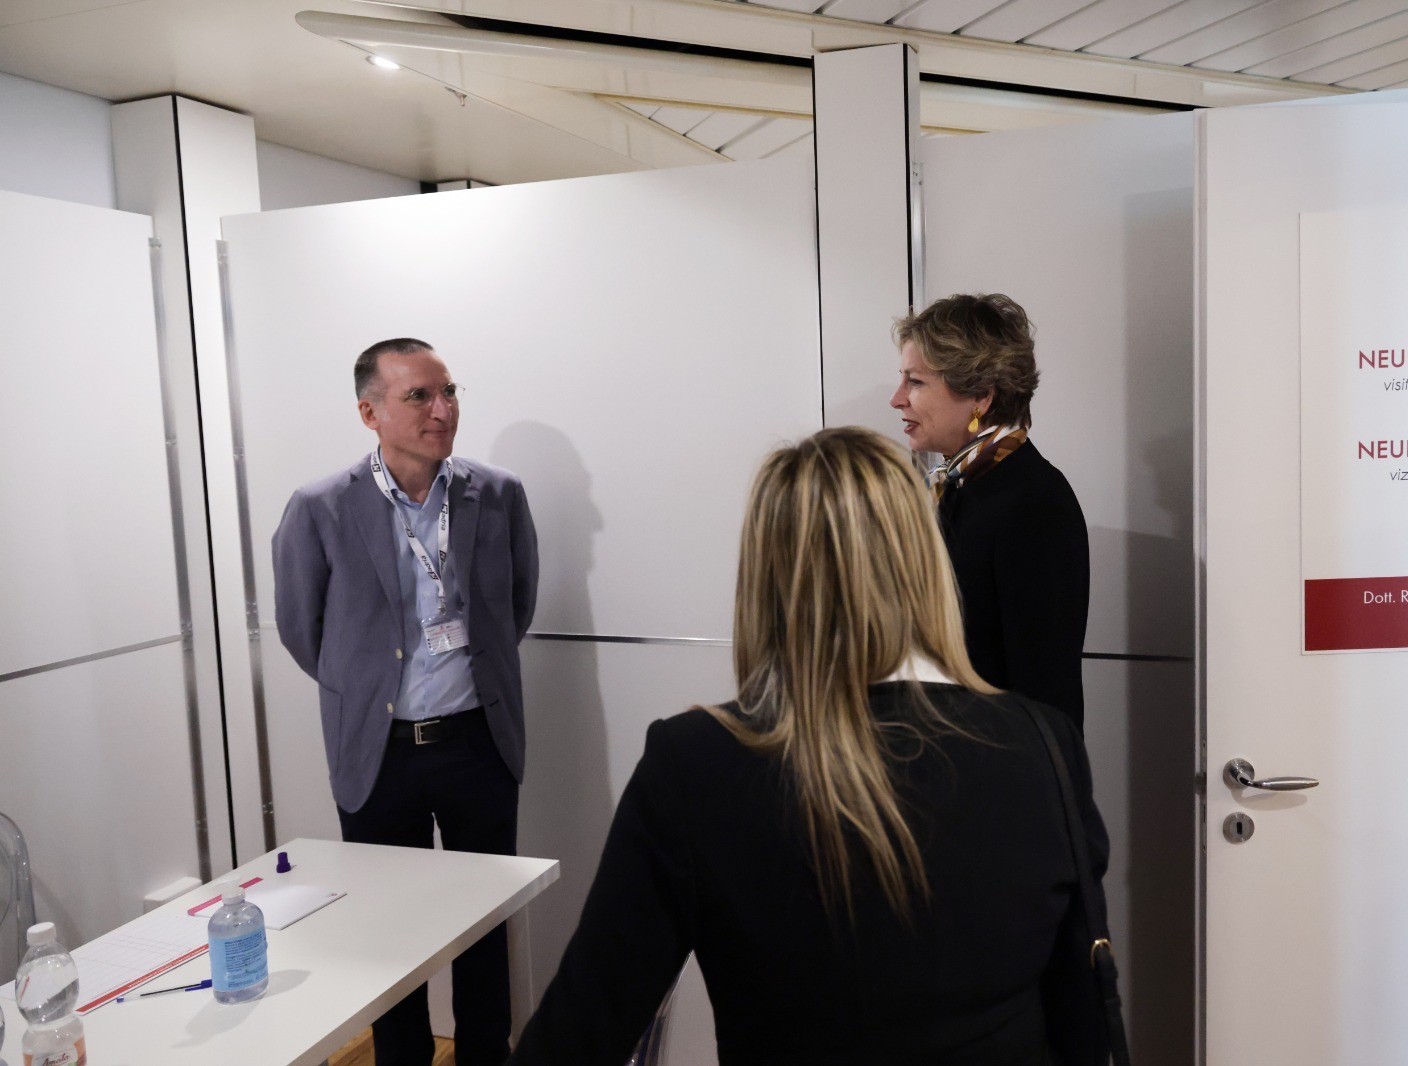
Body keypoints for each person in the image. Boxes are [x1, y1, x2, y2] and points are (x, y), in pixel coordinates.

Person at [510, 427, 1109, 1065]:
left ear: (765, 577)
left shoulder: (696, 766)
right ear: (927, 561)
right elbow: (1084, 1017)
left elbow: (580, 1031)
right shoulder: (1043, 746)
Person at [271, 337, 538, 1066]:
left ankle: (486, 1055)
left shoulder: (498, 494)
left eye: (448, 391)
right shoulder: (321, 507)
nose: (441, 409)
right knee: (388, 931)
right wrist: (368, 690)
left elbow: (515, 608)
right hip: (379, 754)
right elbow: (301, 630)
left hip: (478, 743)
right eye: (418, 396)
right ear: (370, 413)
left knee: (484, 924)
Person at [890, 294, 1091, 731]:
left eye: (915, 382)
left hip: (996, 765)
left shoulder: (1033, 502)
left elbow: (1045, 698)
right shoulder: (957, 487)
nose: (896, 399)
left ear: (981, 395)